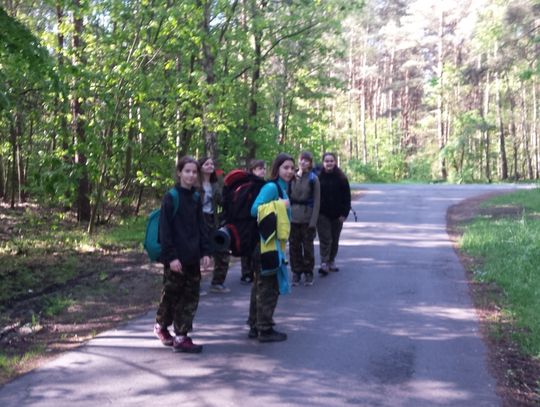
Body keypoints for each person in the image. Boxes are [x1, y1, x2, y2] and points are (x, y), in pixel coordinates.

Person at [153, 156, 211, 353]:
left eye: (194, 172)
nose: (191, 175)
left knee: (190, 297)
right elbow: (165, 231)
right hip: (176, 258)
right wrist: (171, 258)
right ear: (179, 173)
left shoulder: (195, 198)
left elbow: (201, 226)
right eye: (187, 171)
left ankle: (181, 336)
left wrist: (205, 252)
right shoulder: (171, 197)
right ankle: (161, 326)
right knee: (171, 295)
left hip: (192, 256)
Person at [247, 153, 294, 342]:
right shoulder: (271, 187)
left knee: (260, 285)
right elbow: (254, 209)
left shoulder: (283, 187)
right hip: (266, 245)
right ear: (277, 169)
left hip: (272, 243)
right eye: (285, 167)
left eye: (292, 168)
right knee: (268, 287)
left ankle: (254, 325)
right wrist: (280, 204)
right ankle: (264, 329)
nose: (289, 171)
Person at [198, 157, 231, 293]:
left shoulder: (215, 183)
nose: (210, 166)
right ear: (200, 166)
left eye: (212, 164)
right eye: (207, 164)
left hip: (213, 220)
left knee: (222, 250)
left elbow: (222, 201)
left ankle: (217, 282)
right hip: (198, 220)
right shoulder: (195, 183)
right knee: (196, 252)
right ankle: (194, 285)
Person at [289, 151, 320, 286]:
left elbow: (317, 201)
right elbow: (287, 196)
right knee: (294, 247)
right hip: (293, 218)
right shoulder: (292, 177)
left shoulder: (314, 179)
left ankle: (308, 272)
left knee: (307, 247)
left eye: (306, 160)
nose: (303, 162)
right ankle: (296, 272)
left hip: (307, 218)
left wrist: (313, 222)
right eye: (301, 160)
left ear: (310, 163)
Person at [317, 152, 351, 276]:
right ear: (323, 162)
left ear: (335, 162)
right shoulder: (318, 177)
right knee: (325, 239)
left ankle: (331, 260)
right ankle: (324, 263)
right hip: (322, 214)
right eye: (327, 161)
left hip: (338, 215)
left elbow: (347, 197)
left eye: (331, 161)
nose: (329, 163)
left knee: (335, 239)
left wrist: (344, 214)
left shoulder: (341, 177)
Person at [240, 159, 266, 285]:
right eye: (259, 168)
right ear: (253, 170)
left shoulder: (265, 184)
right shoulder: (248, 184)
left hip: (261, 218)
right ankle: (246, 273)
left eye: (264, 168)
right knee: (247, 244)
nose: (262, 171)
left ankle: (256, 269)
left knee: (258, 244)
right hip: (247, 219)